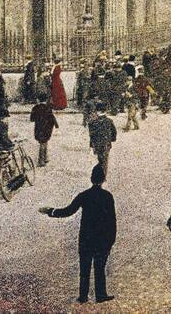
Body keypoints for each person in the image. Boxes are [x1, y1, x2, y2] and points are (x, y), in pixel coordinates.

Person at [41, 164, 117, 304]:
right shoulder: (107, 197)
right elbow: (112, 221)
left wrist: (50, 211)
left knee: (84, 268)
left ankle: (83, 296)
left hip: (86, 238)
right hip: (101, 240)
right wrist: (110, 241)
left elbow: (68, 211)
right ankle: (100, 294)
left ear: (91, 179)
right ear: (103, 180)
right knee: (100, 268)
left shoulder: (84, 196)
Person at [29, 93, 59, 167]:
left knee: (42, 143)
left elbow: (31, 119)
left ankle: (41, 161)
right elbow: (52, 117)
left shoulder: (35, 108)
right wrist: (55, 125)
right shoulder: (48, 107)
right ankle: (45, 158)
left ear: (38, 99)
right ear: (46, 99)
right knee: (45, 142)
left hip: (39, 128)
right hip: (47, 128)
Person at [87, 102, 116, 174]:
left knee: (100, 158)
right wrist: (112, 139)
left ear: (97, 111)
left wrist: (91, 144)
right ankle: (103, 173)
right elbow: (114, 132)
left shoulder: (93, 122)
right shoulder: (109, 121)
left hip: (97, 144)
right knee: (105, 159)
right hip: (106, 143)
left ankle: (101, 171)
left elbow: (91, 134)